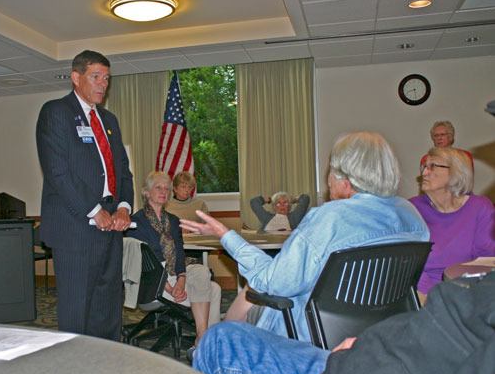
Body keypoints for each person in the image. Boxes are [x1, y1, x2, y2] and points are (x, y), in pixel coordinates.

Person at [181, 131, 429, 341]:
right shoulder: (410, 214)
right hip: (382, 332)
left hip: (312, 333)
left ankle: (212, 348)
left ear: (345, 179)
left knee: (251, 293)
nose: (328, 179)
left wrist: (226, 236)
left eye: (330, 170)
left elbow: (272, 282)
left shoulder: (331, 218)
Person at [193, 273, 495, 374]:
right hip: (369, 363)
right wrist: (369, 341)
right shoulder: (407, 215)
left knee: (216, 358)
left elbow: (275, 276)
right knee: (221, 338)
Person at [36, 50, 134, 340]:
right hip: (75, 228)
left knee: (108, 304)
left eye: (107, 78)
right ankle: (76, 370)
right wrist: (94, 210)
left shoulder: (109, 120)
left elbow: (123, 172)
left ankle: (106, 361)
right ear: (76, 78)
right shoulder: (56, 112)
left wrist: (124, 208)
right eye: (96, 77)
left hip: (112, 227)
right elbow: (58, 173)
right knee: (77, 308)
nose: (103, 84)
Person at [127, 171, 221, 343]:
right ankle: (206, 341)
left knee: (202, 271)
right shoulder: (136, 222)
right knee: (213, 290)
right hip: (154, 282)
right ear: (146, 192)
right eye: (158, 187)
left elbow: (179, 253)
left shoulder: (174, 220)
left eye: (167, 188)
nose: (164, 191)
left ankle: (202, 337)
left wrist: (181, 279)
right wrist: (169, 287)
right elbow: (146, 260)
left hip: (175, 273)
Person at [410, 147, 494, 302]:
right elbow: (410, 265)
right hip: (424, 296)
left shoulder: (480, 207)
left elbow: (487, 259)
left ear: (456, 173)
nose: (424, 173)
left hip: (470, 292)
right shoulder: (412, 209)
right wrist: (435, 300)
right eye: (424, 167)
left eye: (432, 166)